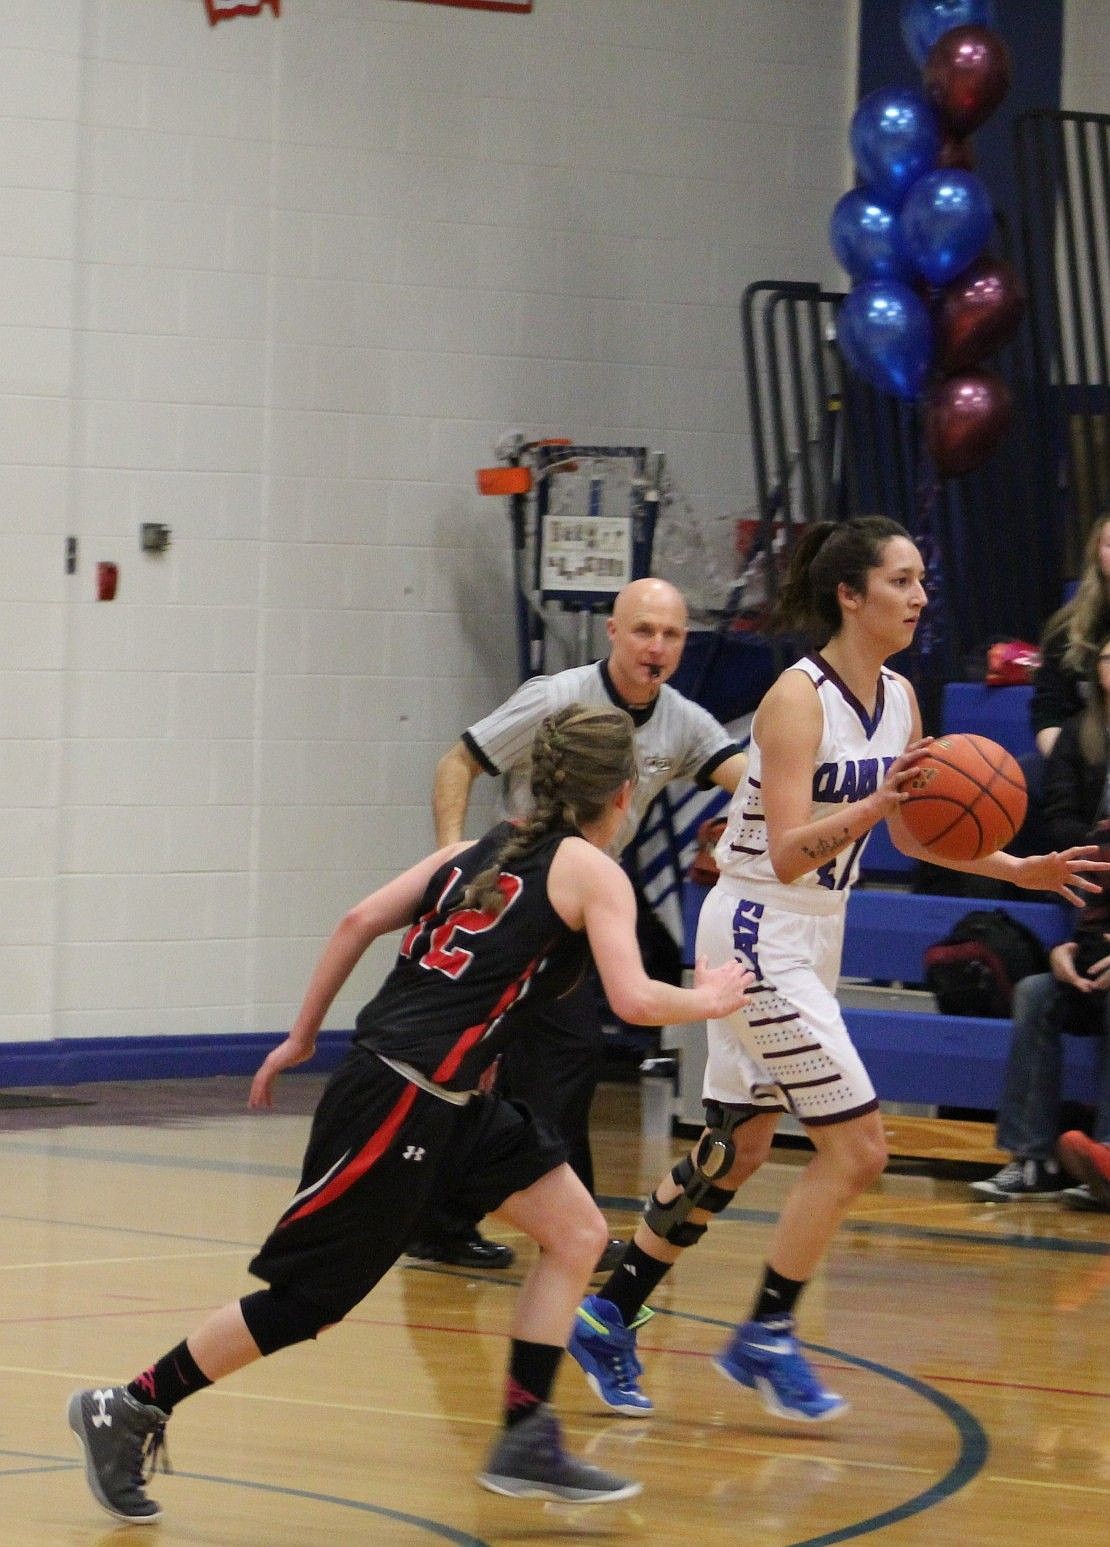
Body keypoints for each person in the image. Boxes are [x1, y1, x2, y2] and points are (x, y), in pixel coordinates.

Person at [67, 705, 754, 1523]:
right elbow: (637, 1001)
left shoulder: (479, 848)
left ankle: (526, 1432)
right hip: (402, 1096)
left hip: (448, 1098)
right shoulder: (590, 869)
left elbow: (359, 919)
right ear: (625, 788)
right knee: (308, 1299)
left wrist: (300, 1036)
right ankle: (131, 1403)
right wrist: (710, 996)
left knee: (575, 1231)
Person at [562, 516, 1106, 1423]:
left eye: (923, 579)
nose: (920, 595)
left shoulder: (901, 697)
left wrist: (1022, 868)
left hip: (819, 927)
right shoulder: (794, 699)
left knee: (734, 1151)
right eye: (901, 580)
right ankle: (768, 1331)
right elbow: (781, 853)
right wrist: (875, 806)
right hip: (755, 926)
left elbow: (914, 827)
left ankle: (608, 1310)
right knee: (858, 1147)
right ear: (850, 595)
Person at [408, 577, 748, 1270]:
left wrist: (746, 831)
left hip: (580, 906)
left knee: (534, 1062)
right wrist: (451, 852)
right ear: (613, 633)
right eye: (644, 630)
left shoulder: (681, 719)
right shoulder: (556, 696)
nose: (657, 646)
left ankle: (443, 1218)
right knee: (564, 1054)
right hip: (523, 895)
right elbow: (459, 760)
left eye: (672, 634)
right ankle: (574, 1229)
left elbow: (755, 781)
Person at [972, 642, 1110, 1203]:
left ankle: (1105, 1157)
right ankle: (1030, 1160)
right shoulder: (1101, 829)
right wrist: (1067, 953)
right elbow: (1093, 899)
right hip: (1095, 962)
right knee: (1035, 992)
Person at [1032, 512, 1110, 759]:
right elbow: (1049, 713)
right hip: (1087, 761)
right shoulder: (1065, 630)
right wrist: (1066, 771)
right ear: (1098, 555)